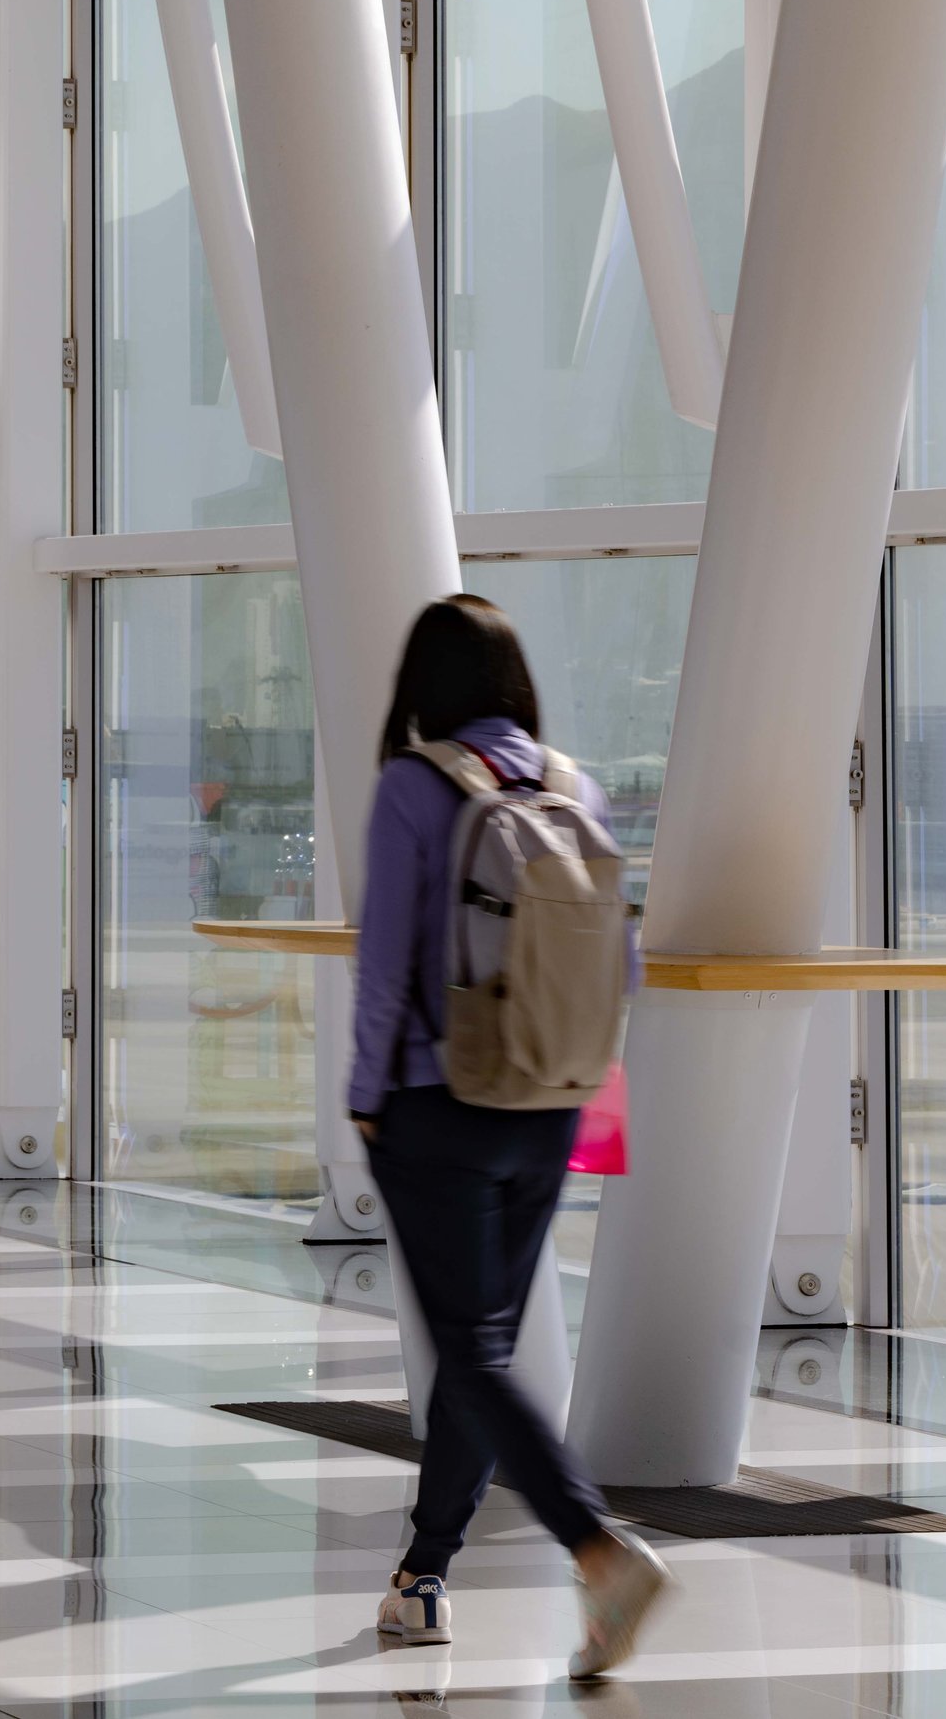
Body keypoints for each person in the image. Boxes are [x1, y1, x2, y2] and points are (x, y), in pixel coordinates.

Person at [351, 593, 671, 1679]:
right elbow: (618, 962)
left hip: (439, 1099)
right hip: (560, 1096)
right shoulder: (577, 784)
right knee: (475, 1346)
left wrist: (366, 1093)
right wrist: (592, 1092)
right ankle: (420, 1578)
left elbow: (386, 961)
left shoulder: (413, 783)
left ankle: (596, 1546)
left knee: (474, 1351)